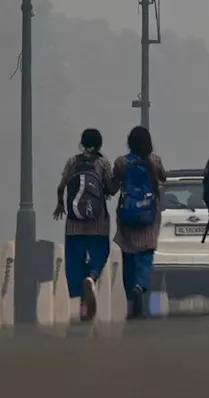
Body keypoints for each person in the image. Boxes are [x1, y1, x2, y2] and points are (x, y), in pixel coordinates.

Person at [55, 129, 117, 322]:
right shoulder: (103, 163)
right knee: (100, 253)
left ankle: (83, 305)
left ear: (82, 143)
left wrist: (60, 204)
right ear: (100, 145)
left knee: (75, 261)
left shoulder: (73, 162)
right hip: (97, 222)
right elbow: (111, 189)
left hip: (74, 222)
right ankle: (93, 276)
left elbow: (61, 186)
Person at [112, 126, 166, 319]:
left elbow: (112, 186)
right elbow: (163, 178)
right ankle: (139, 285)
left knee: (129, 257)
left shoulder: (122, 162)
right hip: (149, 215)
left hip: (127, 214)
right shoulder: (154, 161)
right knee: (145, 256)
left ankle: (130, 293)